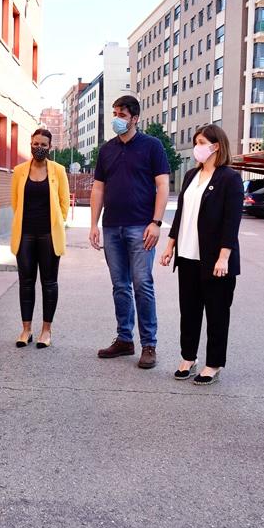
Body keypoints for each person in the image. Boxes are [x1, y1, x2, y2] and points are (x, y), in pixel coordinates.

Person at [90, 95, 171, 369]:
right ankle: (125, 339)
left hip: (141, 227)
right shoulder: (106, 150)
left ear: (135, 118)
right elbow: (98, 188)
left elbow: (162, 186)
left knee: (142, 284)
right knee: (120, 286)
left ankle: (149, 345)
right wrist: (94, 224)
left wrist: (156, 223)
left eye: (122, 115)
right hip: (112, 227)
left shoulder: (152, 146)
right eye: (114, 114)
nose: (117, 119)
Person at [160, 125, 243, 385]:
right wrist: (170, 245)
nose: (197, 147)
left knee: (217, 313)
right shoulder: (191, 176)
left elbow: (231, 221)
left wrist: (224, 256)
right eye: (196, 142)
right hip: (187, 255)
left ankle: (213, 364)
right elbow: (181, 214)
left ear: (216, 146)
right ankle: (188, 357)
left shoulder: (229, 178)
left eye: (201, 142)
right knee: (189, 311)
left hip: (215, 260)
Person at [10, 128, 70, 348]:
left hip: (49, 235)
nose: (39, 148)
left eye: (44, 145)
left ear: (50, 147)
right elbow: (15, 202)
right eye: (36, 144)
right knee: (26, 283)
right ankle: (26, 330)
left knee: (49, 282)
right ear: (31, 144)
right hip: (25, 234)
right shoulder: (19, 171)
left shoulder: (58, 171)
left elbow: (64, 203)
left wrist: (56, 224)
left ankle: (46, 331)